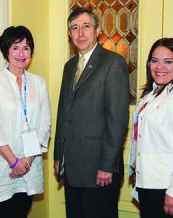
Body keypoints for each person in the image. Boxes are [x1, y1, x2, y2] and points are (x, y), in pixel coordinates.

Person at [54, 8, 129, 218]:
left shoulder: (113, 63)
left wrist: (107, 165)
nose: (80, 33)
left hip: (99, 169)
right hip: (72, 167)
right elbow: (64, 113)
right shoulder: (69, 67)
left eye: (86, 26)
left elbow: (118, 121)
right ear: (69, 34)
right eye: (74, 28)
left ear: (97, 30)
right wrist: (60, 155)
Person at [0, 25, 51, 218]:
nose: (21, 53)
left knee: (22, 212)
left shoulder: (39, 83)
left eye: (26, 48)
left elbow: (44, 125)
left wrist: (26, 161)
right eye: (15, 47)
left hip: (29, 166)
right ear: (6, 51)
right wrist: (14, 162)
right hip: (3, 168)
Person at [128, 38, 173, 218]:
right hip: (152, 185)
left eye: (168, 61)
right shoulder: (152, 93)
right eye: (154, 60)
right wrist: (137, 170)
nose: (159, 66)